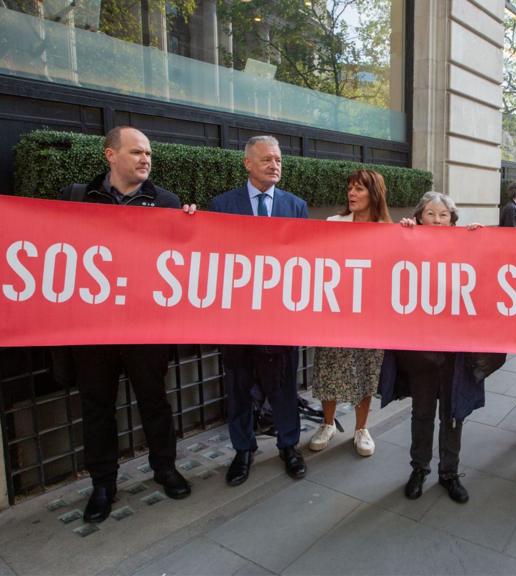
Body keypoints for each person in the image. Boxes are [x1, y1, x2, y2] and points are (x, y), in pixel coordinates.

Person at [0, 126, 197, 523]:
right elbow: (23, 235)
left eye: (148, 153)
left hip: (146, 329)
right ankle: (103, 484)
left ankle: (165, 468)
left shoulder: (167, 202)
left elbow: (191, 257)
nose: (145, 159)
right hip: (91, 330)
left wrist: (193, 225)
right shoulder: (75, 198)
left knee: (155, 403)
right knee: (96, 408)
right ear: (110, 155)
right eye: (136, 152)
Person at [208, 135, 308, 485]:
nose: (274, 165)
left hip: (282, 319)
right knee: (238, 386)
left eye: (278, 159)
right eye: (266, 159)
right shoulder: (221, 205)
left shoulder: (296, 206)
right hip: (237, 319)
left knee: (283, 385)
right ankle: (243, 449)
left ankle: (289, 446)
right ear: (248, 163)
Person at [384, 192, 486, 503]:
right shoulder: (408, 244)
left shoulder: (467, 247)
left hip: (456, 352)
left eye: (444, 215)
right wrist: (401, 235)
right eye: (431, 213)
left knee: (454, 414)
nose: (438, 220)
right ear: (419, 217)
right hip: (421, 351)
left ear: (453, 220)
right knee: (422, 412)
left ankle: (449, 473)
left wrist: (482, 242)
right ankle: (419, 469)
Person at [308, 169, 392, 456]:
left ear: (374, 193)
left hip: (370, 316)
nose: (352, 194)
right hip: (336, 313)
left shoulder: (388, 230)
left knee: (366, 370)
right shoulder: (334, 223)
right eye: (350, 188)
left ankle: (361, 429)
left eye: (359, 189)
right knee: (330, 368)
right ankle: (327, 423)